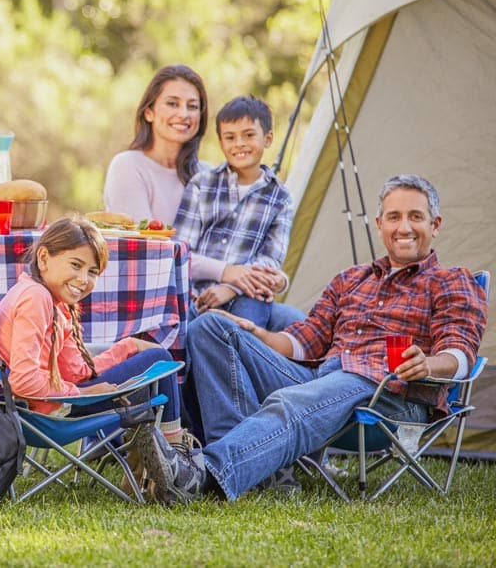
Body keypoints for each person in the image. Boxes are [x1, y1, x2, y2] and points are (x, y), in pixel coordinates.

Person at [155, 174, 488, 503]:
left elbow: (460, 351)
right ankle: (262, 473)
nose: (404, 227)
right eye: (394, 217)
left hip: (388, 391)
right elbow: (305, 341)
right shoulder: (350, 279)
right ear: (379, 223)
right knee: (210, 327)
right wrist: (256, 333)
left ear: (436, 224)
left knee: (293, 401)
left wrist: (427, 363)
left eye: (416, 217)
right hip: (323, 376)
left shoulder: (451, 281)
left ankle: (201, 474)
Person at [0, 215, 193, 503]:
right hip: (48, 411)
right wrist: (84, 393)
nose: (84, 280)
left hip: (49, 402)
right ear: (44, 258)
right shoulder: (35, 299)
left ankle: (155, 458)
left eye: (93, 271)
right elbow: (23, 381)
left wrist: (127, 347)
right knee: (159, 357)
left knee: (148, 357)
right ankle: (174, 460)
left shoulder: (50, 298)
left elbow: (77, 370)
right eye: (76, 265)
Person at [174, 95, 304, 331]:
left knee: (249, 323)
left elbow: (270, 260)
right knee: (195, 326)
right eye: (230, 137)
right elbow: (180, 252)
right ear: (221, 143)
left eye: (249, 135)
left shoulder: (280, 198)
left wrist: (231, 288)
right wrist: (224, 274)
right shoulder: (202, 184)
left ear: (268, 138)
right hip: (195, 293)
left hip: (247, 296)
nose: (239, 144)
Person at [103, 65, 208, 223]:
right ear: (149, 113)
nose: (184, 114)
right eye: (172, 103)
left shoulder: (209, 174)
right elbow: (143, 241)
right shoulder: (128, 166)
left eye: (192, 106)